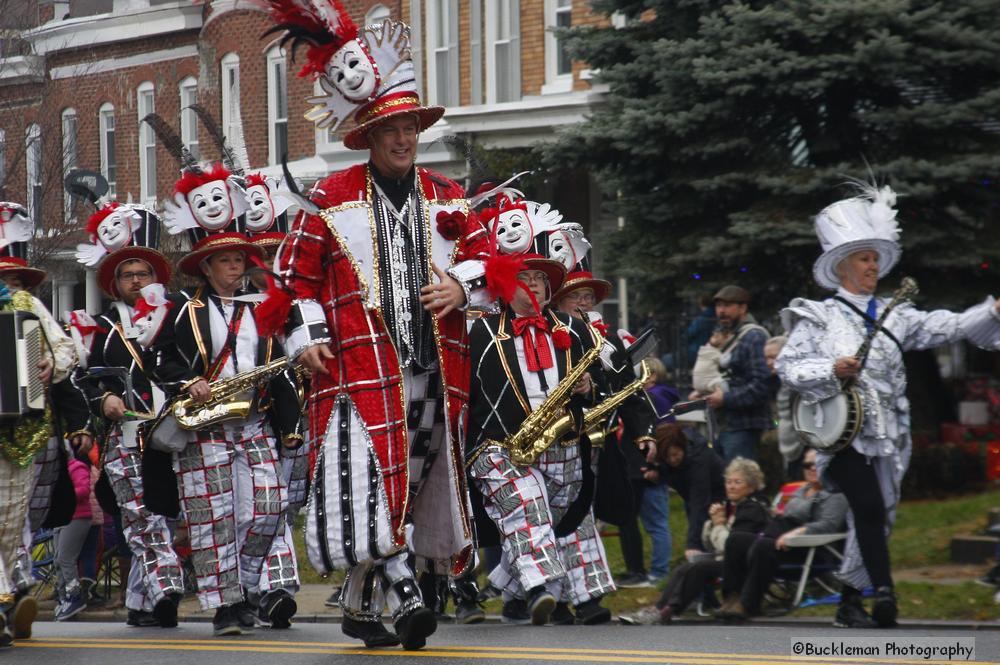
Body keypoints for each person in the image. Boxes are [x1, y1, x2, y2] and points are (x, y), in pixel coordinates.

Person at [257, 8, 492, 650]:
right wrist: (305, 337)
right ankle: (405, 588)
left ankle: (361, 609)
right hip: (354, 374)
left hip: (432, 372)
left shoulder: (448, 195)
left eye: (410, 125)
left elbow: (492, 264)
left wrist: (463, 286)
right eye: (391, 127)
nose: (403, 137)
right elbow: (291, 283)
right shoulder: (330, 199)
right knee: (367, 481)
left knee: (405, 486)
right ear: (370, 132)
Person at [776, 182, 1000, 628]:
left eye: (876, 259)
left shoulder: (897, 313)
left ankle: (849, 599)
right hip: (841, 439)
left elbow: (946, 326)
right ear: (842, 266)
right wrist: (830, 369)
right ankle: (885, 595)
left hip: (888, 440)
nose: (872, 266)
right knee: (871, 508)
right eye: (864, 258)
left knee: (877, 516)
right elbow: (788, 366)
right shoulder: (819, 316)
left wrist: (992, 312)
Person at [152, 223, 303, 636]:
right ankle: (225, 608)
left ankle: (247, 589)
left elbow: (279, 370)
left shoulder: (260, 306)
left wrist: (290, 425)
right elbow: (159, 358)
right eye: (226, 261)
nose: (235, 267)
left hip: (254, 421)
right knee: (213, 520)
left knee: (269, 508)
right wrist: (188, 381)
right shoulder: (185, 307)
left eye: (239, 259)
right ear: (206, 267)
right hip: (205, 427)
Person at [467, 256, 612, 626]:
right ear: (503, 286)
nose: (534, 285)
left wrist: (588, 386)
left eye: (540, 279)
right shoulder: (481, 333)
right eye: (524, 278)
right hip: (501, 445)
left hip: (562, 440)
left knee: (572, 517)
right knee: (528, 509)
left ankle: (582, 598)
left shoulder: (575, 330)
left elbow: (596, 383)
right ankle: (538, 589)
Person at [73, 204, 185, 629]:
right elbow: (78, 379)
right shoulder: (97, 329)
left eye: (143, 274)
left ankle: (140, 601)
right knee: (143, 518)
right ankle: (168, 589)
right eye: (127, 275)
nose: (136, 282)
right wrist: (103, 402)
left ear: (157, 278)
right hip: (128, 437)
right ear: (114, 284)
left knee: (168, 518)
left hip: (177, 434)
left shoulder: (180, 315)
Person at [1, 210, 93, 647]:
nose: (11, 284)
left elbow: (63, 353)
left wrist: (46, 363)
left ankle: (10, 595)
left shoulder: (25, 307)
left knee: (12, 521)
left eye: (14, 277)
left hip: (22, 430)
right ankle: (7, 598)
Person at [621, 457, 770, 625]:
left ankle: (667, 610)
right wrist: (711, 524)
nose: (731, 486)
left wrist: (719, 524)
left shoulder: (753, 508)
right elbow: (711, 545)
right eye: (728, 482)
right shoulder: (733, 506)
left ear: (751, 486)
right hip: (727, 561)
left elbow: (732, 545)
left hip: (742, 565)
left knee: (699, 568)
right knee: (683, 568)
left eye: (737, 482)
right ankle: (658, 608)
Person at [717, 448, 848, 619]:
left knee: (763, 546)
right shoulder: (801, 491)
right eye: (808, 465)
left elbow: (828, 525)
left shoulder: (834, 494)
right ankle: (731, 599)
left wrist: (798, 532)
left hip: (808, 549)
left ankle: (748, 604)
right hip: (781, 540)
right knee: (736, 540)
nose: (812, 468)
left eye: (817, 464)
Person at [698, 285, 770, 462]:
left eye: (727, 306)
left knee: (740, 482)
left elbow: (761, 384)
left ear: (743, 308)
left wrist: (725, 398)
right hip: (721, 425)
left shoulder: (753, 337)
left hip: (743, 427)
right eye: (718, 306)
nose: (721, 311)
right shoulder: (724, 336)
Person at [652, 424, 725, 562]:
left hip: (718, 494)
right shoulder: (664, 458)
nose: (672, 460)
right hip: (690, 495)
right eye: (667, 457)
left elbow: (700, 502)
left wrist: (693, 544)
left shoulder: (699, 457)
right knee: (694, 518)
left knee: (709, 527)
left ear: (682, 446)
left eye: (675, 454)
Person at [764, 335, 801, 480]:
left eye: (773, 357)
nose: (769, 362)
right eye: (766, 358)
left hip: (802, 446)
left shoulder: (798, 383)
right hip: (788, 447)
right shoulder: (774, 383)